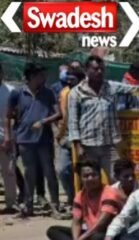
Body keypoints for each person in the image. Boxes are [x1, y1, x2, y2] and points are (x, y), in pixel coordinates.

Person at [68, 55, 139, 182]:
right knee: (91, 180)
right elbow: (73, 121)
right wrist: (77, 145)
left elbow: (133, 88)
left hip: (110, 145)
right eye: (95, 69)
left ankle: (115, 202)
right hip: (88, 145)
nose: (99, 72)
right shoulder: (76, 92)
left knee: (116, 180)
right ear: (86, 70)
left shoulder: (111, 87)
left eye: (101, 69)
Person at [5, 62, 62, 217]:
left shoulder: (48, 93)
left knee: (49, 172)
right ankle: (28, 206)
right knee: (29, 173)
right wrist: (9, 137)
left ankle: (55, 206)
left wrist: (43, 122)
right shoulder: (17, 93)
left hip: (44, 139)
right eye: (40, 75)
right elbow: (9, 116)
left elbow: (58, 113)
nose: (43, 77)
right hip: (24, 139)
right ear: (31, 76)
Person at [46, 160, 124, 240]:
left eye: (93, 175)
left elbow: (102, 223)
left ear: (100, 175)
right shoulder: (80, 195)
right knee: (53, 230)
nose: (90, 178)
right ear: (81, 178)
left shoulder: (109, 192)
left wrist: (82, 239)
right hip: (90, 234)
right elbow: (76, 221)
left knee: (97, 238)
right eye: (86, 176)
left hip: (109, 234)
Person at [56, 67, 85, 209]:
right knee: (62, 169)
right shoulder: (65, 93)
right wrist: (60, 134)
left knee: (85, 171)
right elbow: (63, 115)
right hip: (67, 137)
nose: (69, 81)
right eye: (68, 78)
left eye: (72, 79)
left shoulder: (86, 93)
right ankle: (72, 197)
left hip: (84, 138)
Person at [0, 63, 17, 215]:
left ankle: (11, 203)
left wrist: (8, 137)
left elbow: (14, 116)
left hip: (7, 137)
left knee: (9, 171)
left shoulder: (11, 91)